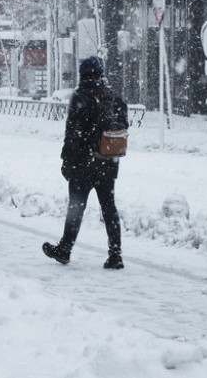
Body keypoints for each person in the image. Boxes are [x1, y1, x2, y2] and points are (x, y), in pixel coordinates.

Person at [43, 56, 127, 270]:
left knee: (76, 206)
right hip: (108, 160)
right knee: (109, 207)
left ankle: (65, 249)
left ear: (83, 74)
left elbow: (72, 132)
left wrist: (66, 160)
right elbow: (124, 124)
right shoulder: (114, 95)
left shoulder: (81, 96)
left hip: (83, 163)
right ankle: (115, 254)